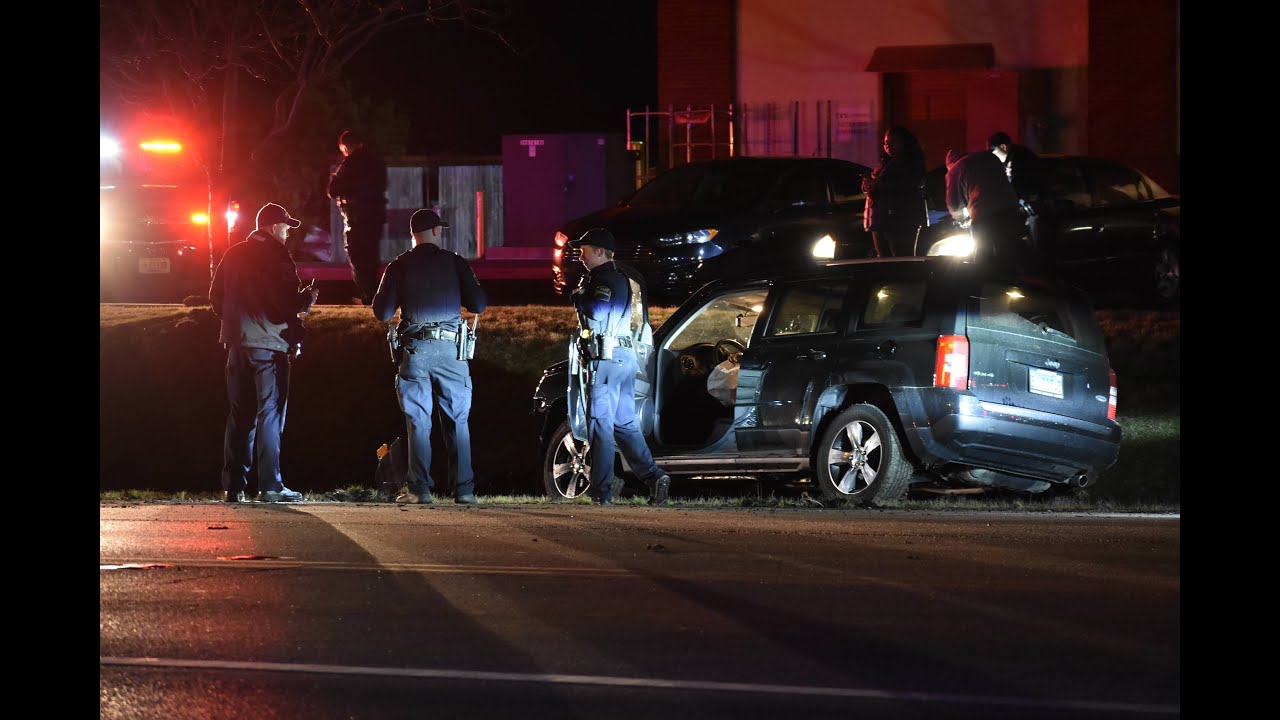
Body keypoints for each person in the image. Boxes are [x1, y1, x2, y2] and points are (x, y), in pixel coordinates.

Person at [373, 209, 488, 505]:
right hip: (451, 351)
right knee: (458, 420)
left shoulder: (398, 266)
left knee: (418, 422)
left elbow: (382, 312)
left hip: (415, 351)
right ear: (436, 232)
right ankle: (464, 491)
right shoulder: (454, 262)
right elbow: (478, 304)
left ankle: (419, 490)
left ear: (413, 235)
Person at [209, 203, 320, 503]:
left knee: (239, 415)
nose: (287, 232)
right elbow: (282, 302)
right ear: (272, 226)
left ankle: (234, 487)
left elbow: (215, 297)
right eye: (285, 227)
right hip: (269, 347)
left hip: (236, 344)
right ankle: (271, 485)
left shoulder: (232, 253)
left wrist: (236, 323)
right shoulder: (277, 255)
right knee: (270, 413)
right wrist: (306, 299)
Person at [569, 228, 671, 506]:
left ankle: (601, 491)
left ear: (600, 252)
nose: (581, 257)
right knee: (624, 425)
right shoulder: (618, 277)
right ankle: (654, 476)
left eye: (585, 251)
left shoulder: (604, 278)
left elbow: (598, 311)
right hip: (623, 359)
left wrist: (578, 296)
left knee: (599, 425)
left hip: (606, 360)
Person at [328, 129, 388, 306]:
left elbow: (333, 190)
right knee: (371, 259)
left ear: (345, 147)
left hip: (356, 219)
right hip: (375, 218)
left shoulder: (351, 163)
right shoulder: (377, 161)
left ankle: (367, 297)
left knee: (358, 260)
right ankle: (375, 297)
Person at [944, 149, 1028, 273]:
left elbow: (954, 205)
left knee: (984, 258)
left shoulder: (955, 169)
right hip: (1011, 209)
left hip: (984, 215)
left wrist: (962, 220)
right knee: (1010, 253)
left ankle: (989, 288)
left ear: (950, 165)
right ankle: (1014, 284)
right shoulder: (990, 157)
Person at [861, 126, 926, 257]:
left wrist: (878, 185)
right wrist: (867, 185)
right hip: (880, 220)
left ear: (904, 141)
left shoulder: (911, 160)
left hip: (900, 220)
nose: (888, 145)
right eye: (885, 143)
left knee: (901, 261)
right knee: (885, 262)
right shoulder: (884, 162)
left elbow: (911, 184)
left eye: (893, 141)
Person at [988, 131, 1050, 263]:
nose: (993, 155)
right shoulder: (1016, 156)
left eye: (994, 151)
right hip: (1028, 205)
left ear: (1003, 147)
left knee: (1036, 244)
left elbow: (1019, 184)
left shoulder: (1019, 158)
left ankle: (1037, 267)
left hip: (1034, 207)